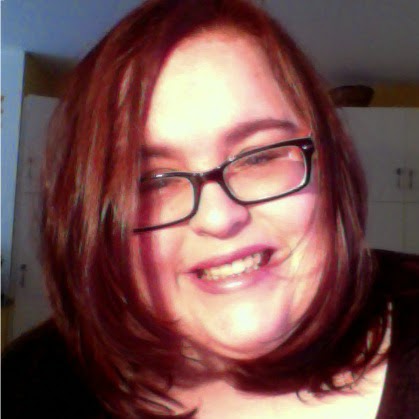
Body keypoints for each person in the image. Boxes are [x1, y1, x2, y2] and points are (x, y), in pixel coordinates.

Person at [2, 0, 419, 418]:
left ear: (329, 165)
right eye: (153, 182)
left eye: (259, 157)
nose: (219, 218)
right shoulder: (25, 389)